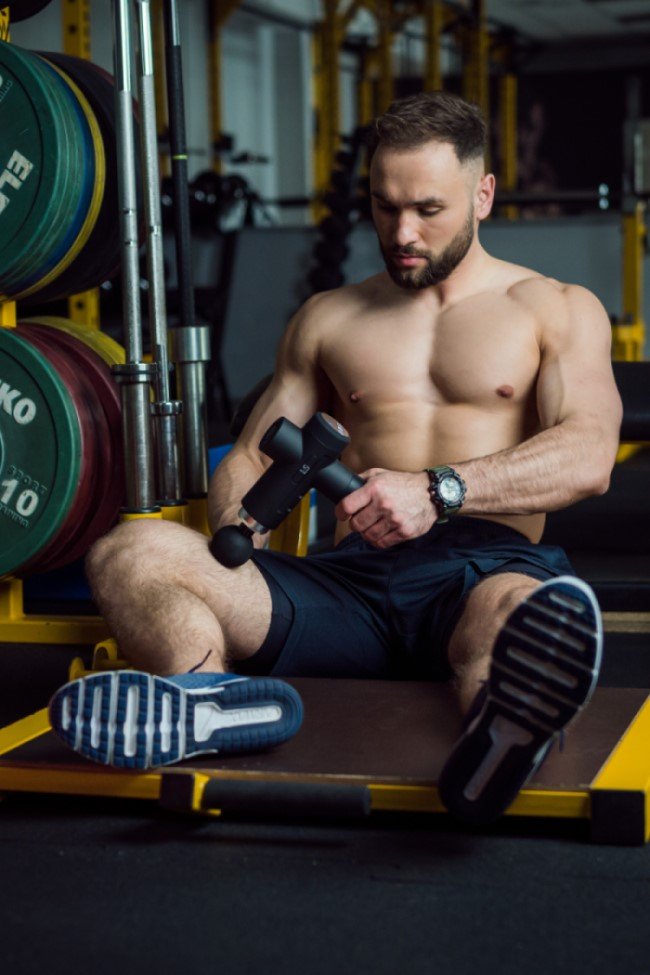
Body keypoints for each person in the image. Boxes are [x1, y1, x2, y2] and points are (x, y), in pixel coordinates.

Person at [49, 91, 622, 826]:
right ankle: (203, 700)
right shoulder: (330, 317)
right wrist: (239, 523)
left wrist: (437, 490)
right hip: (352, 588)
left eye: (428, 209)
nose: (402, 232)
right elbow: (252, 455)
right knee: (131, 553)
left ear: (482, 196)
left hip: (483, 569)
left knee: (520, 613)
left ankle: (503, 730)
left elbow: (589, 454)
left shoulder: (554, 308)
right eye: (385, 207)